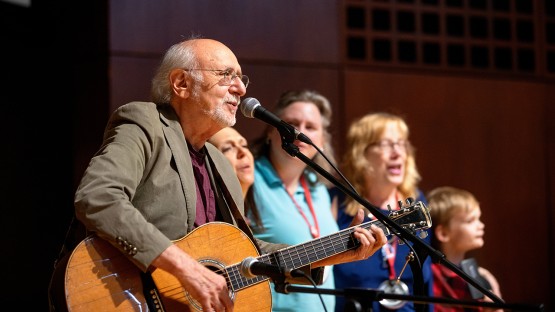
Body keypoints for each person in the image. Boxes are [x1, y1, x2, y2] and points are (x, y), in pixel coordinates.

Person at [49, 38, 387, 312]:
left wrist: (334, 251)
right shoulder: (145, 123)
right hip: (118, 294)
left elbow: (246, 253)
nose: (240, 89)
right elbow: (98, 197)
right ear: (181, 83)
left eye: (242, 78)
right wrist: (186, 269)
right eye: (227, 75)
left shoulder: (220, 164)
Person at [247, 89, 342, 311]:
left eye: (310, 127)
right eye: (291, 123)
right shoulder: (249, 179)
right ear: (271, 131)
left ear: (322, 139)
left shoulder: (319, 188)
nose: (299, 133)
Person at [329, 112, 434, 312]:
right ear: (361, 153)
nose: (397, 153)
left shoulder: (417, 202)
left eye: (401, 144)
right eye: (386, 144)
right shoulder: (335, 203)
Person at [427, 186, 503, 312]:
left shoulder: (482, 276)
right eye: (470, 221)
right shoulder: (429, 275)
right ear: (443, 233)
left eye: (479, 218)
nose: (481, 226)